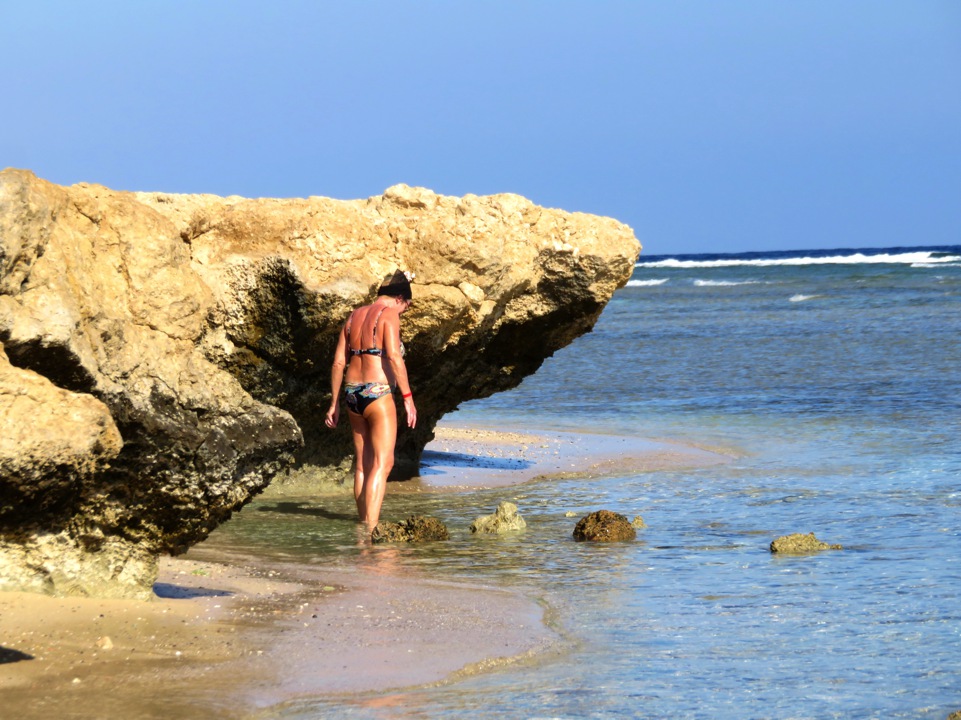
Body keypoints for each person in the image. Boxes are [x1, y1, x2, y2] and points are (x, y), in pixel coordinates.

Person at [325, 271, 417, 532]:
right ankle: (371, 529)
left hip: (352, 392)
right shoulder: (389, 315)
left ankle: (362, 525)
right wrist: (408, 398)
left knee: (363, 465)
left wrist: (334, 403)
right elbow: (395, 358)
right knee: (383, 463)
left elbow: (338, 363)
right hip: (377, 392)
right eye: (406, 306)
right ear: (399, 298)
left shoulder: (353, 316)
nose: (404, 312)